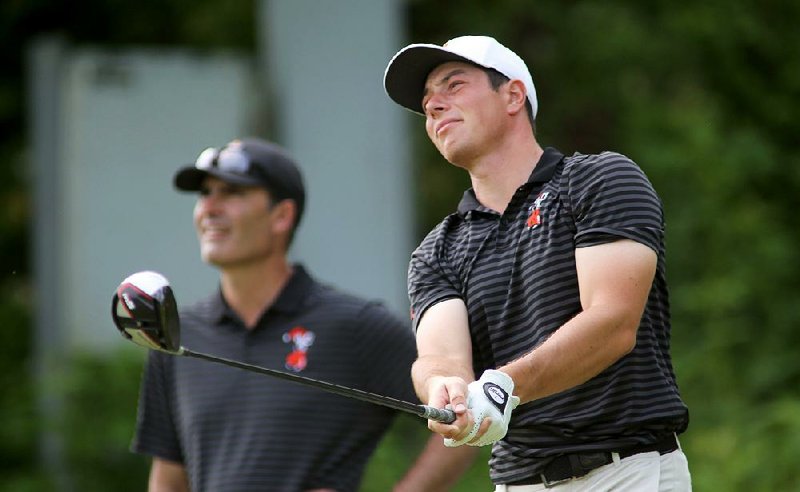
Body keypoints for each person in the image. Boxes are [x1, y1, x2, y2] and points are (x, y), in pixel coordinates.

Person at [382, 35, 692, 491]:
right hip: (518, 483)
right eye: (428, 101)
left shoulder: (598, 180)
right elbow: (441, 357)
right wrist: (446, 391)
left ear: (512, 95)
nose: (433, 105)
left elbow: (612, 323)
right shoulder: (437, 250)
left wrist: (505, 384)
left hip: (626, 471)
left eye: (453, 85)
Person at [131, 137, 477, 491]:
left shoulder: (354, 326)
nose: (210, 208)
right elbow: (168, 477)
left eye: (232, 192)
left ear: (282, 216)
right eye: (205, 193)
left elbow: (460, 413)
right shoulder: (179, 335)